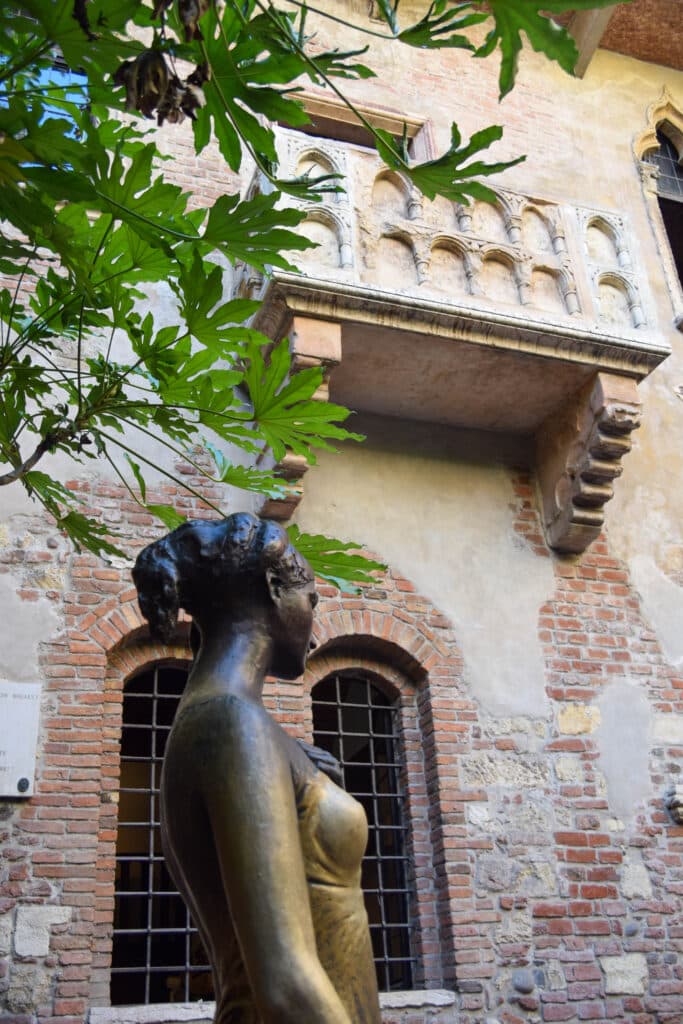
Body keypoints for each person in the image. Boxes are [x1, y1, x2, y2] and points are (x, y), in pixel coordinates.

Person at [133, 513, 381, 1024]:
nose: (315, 624)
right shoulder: (230, 721)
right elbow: (286, 986)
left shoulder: (236, 723)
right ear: (274, 587)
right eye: (311, 599)